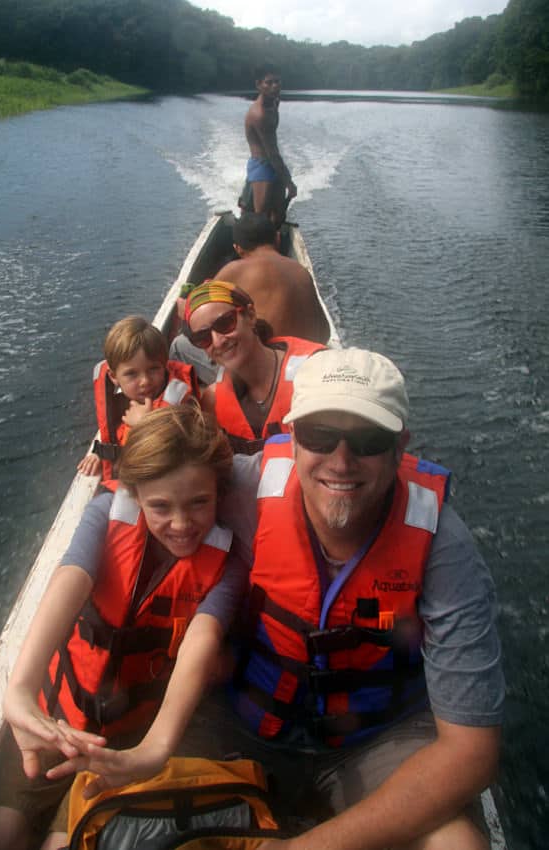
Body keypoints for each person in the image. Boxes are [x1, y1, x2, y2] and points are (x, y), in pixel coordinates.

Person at [182, 347, 505, 850]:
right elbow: (145, 499)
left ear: (401, 447)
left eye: (368, 439)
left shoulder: (442, 543)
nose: (341, 460)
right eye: (319, 435)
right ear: (293, 439)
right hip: (245, 723)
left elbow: (472, 750)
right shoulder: (247, 488)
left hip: (376, 744)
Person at [0, 405, 248, 850]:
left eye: (199, 502)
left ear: (219, 492)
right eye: (160, 506)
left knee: (67, 843)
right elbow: (70, 578)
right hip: (55, 718)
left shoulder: (227, 562)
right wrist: (19, 691)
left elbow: (203, 636)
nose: (181, 524)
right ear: (136, 494)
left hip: (127, 742)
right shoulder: (106, 515)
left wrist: (155, 749)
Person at [184, 280, 325, 455]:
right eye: (203, 337)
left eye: (225, 323)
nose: (218, 341)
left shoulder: (316, 374)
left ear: (250, 315)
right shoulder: (212, 402)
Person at [78, 315, 199, 481]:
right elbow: (117, 433)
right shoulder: (122, 401)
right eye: (131, 374)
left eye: (153, 369)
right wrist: (101, 452)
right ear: (114, 377)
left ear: (164, 366)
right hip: (127, 483)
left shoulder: (179, 402)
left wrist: (146, 424)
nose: (145, 381)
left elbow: (184, 452)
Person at [214, 213, 330, 344]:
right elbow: (325, 332)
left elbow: (199, 307)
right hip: (311, 356)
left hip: (275, 361)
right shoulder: (301, 270)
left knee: (185, 345)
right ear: (277, 238)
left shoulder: (235, 270)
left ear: (238, 249)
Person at [239, 62, 297, 228]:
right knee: (260, 221)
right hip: (262, 166)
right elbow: (272, 154)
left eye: (277, 82)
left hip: (274, 163)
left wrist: (285, 179)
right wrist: (289, 182)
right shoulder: (259, 115)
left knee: (277, 216)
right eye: (269, 82)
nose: (274, 86)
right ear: (259, 85)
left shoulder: (274, 102)